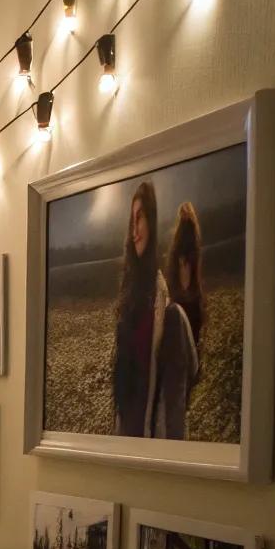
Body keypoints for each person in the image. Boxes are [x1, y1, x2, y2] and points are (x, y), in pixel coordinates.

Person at [113, 180, 169, 437]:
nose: (134, 230)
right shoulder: (127, 284)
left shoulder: (159, 291)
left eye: (140, 218)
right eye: (131, 220)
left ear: (152, 222)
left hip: (146, 428)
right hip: (124, 421)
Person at [153, 201, 205, 439]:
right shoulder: (189, 241)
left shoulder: (179, 245)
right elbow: (186, 275)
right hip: (188, 307)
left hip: (184, 305)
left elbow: (182, 274)